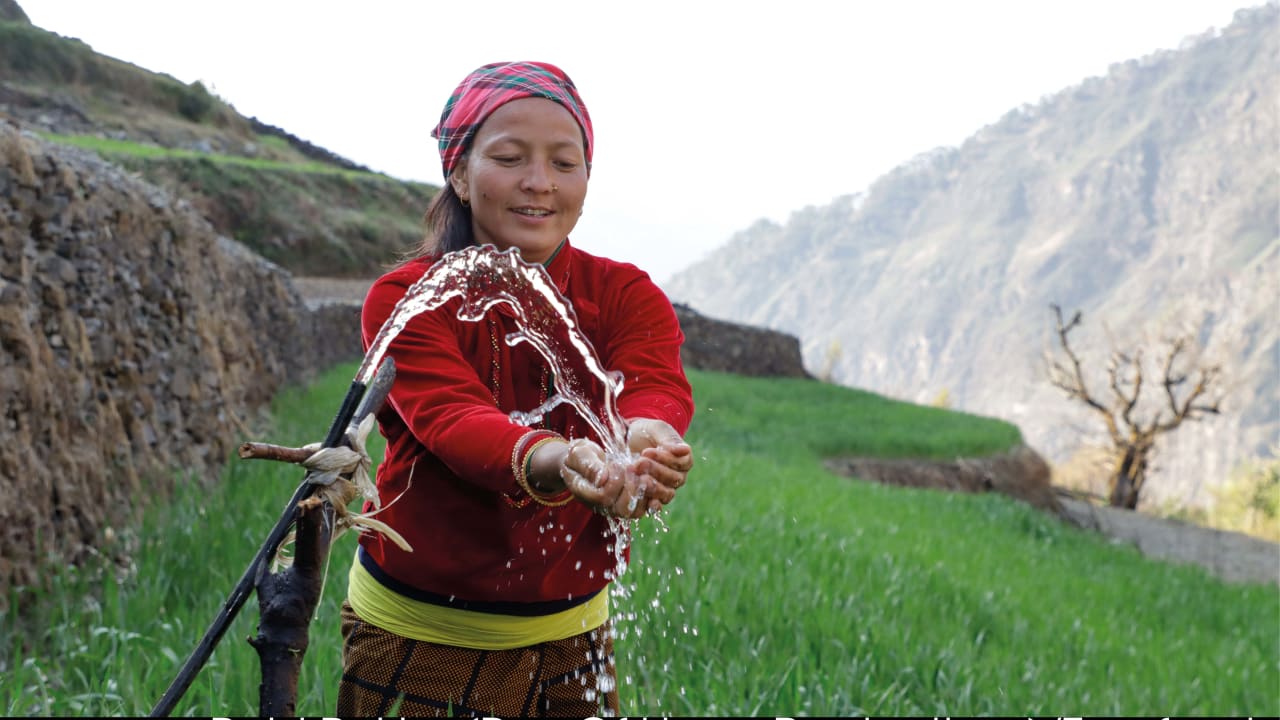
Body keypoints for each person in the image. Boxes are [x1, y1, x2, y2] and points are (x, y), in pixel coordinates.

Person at [337, 61, 695, 717]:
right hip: (420, 633)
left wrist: (648, 438)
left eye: (565, 162)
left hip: (573, 636)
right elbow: (452, 417)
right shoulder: (407, 299)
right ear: (459, 173)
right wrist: (558, 458)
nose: (539, 183)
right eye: (509, 158)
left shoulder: (623, 294)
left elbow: (652, 385)